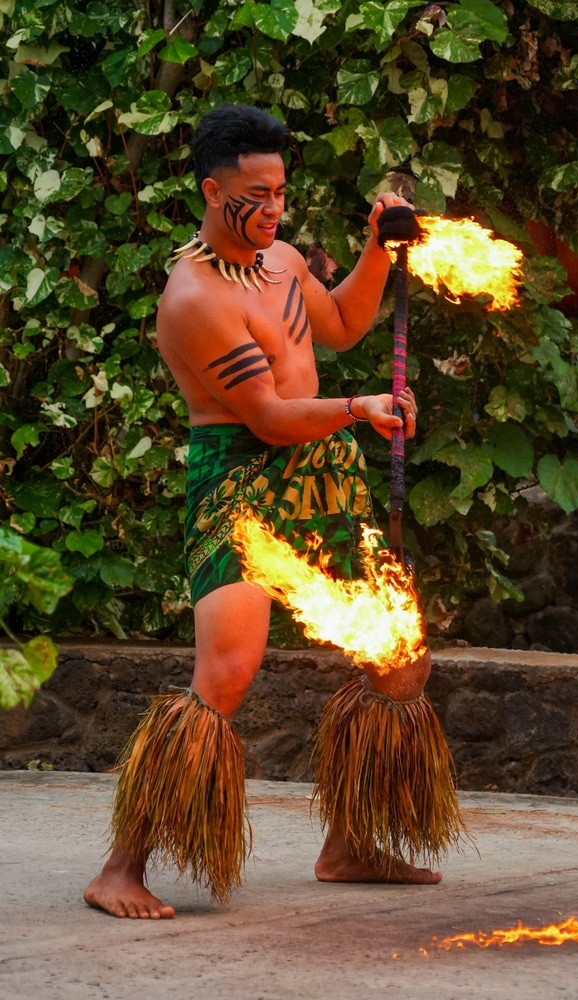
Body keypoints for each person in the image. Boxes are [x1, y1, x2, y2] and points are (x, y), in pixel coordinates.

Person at [84, 103, 463, 920]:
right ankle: (120, 866)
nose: (272, 210)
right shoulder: (194, 299)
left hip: (322, 472)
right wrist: (361, 406)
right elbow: (267, 417)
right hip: (243, 485)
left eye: (280, 192)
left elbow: (343, 324)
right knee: (224, 673)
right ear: (211, 190)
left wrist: (376, 249)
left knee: (399, 659)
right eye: (254, 194)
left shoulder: (283, 261)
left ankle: (349, 843)